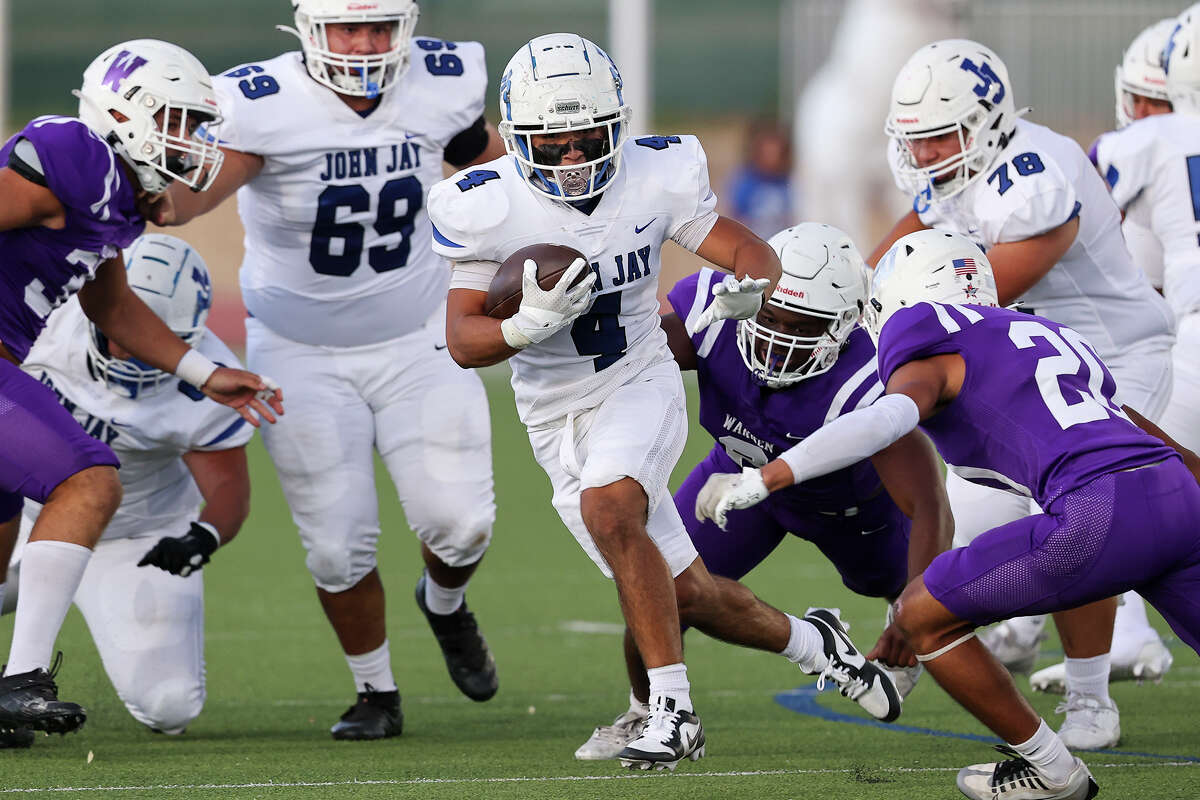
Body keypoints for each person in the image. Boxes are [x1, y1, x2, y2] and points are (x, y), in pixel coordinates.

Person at [430, 33, 895, 771]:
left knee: (610, 508)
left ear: (617, 126)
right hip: (552, 413)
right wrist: (523, 325)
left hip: (639, 379)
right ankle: (820, 646)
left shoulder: (657, 173)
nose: (575, 159)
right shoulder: (484, 204)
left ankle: (670, 711)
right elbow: (462, 339)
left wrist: (753, 283)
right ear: (517, 141)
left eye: (589, 139)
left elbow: (749, 249)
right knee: (687, 593)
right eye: (555, 145)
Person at [698, 228, 1200, 799]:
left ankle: (1051, 771)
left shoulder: (923, 331)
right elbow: (1136, 426)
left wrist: (770, 475)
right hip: (1175, 496)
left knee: (919, 615)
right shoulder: (1044, 331)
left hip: (1098, 509)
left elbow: (890, 419)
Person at [152, 0, 507, 740]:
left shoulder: (439, 83)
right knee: (338, 543)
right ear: (309, 30)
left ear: (404, 25)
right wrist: (128, 176)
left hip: (418, 335)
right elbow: (180, 203)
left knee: (462, 523)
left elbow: (490, 164)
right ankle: (376, 691)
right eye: (350, 27)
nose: (366, 43)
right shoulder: (263, 104)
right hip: (299, 350)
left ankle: (442, 604)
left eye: (379, 26)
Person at [868, 38, 1177, 750]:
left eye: (940, 137)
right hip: (1028, 365)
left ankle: (1092, 698)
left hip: (1112, 357)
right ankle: (1009, 627)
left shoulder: (1032, 178)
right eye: (915, 140)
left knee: (1076, 509)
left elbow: (973, 301)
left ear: (987, 124)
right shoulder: (956, 168)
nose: (925, 154)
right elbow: (907, 241)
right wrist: (853, 280)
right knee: (973, 510)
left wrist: (877, 321)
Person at [574, 222, 951, 761]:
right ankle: (645, 709)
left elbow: (929, 501)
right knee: (659, 585)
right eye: (768, 316)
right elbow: (633, 358)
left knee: (900, 594)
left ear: (846, 326)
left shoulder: (869, 379)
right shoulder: (716, 316)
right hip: (732, 481)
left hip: (850, 511)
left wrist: (914, 610)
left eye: (803, 324)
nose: (779, 337)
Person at [0, 39, 282, 738]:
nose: (196, 141)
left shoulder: (115, 197)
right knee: (90, 480)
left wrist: (205, 373)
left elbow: (111, 306)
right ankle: (20, 681)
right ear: (131, 112)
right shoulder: (76, 153)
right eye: (183, 121)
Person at [0, 234, 253, 747]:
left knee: (169, 705)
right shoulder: (49, 321)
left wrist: (201, 537)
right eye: (121, 330)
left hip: (135, 542)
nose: (124, 349)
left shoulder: (209, 375)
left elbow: (229, 490)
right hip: (28, 521)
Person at [722, 120, 795, 239]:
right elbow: (736, 215)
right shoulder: (744, 182)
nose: (772, 160)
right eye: (768, 154)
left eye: (776, 154)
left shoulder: (789, 182)